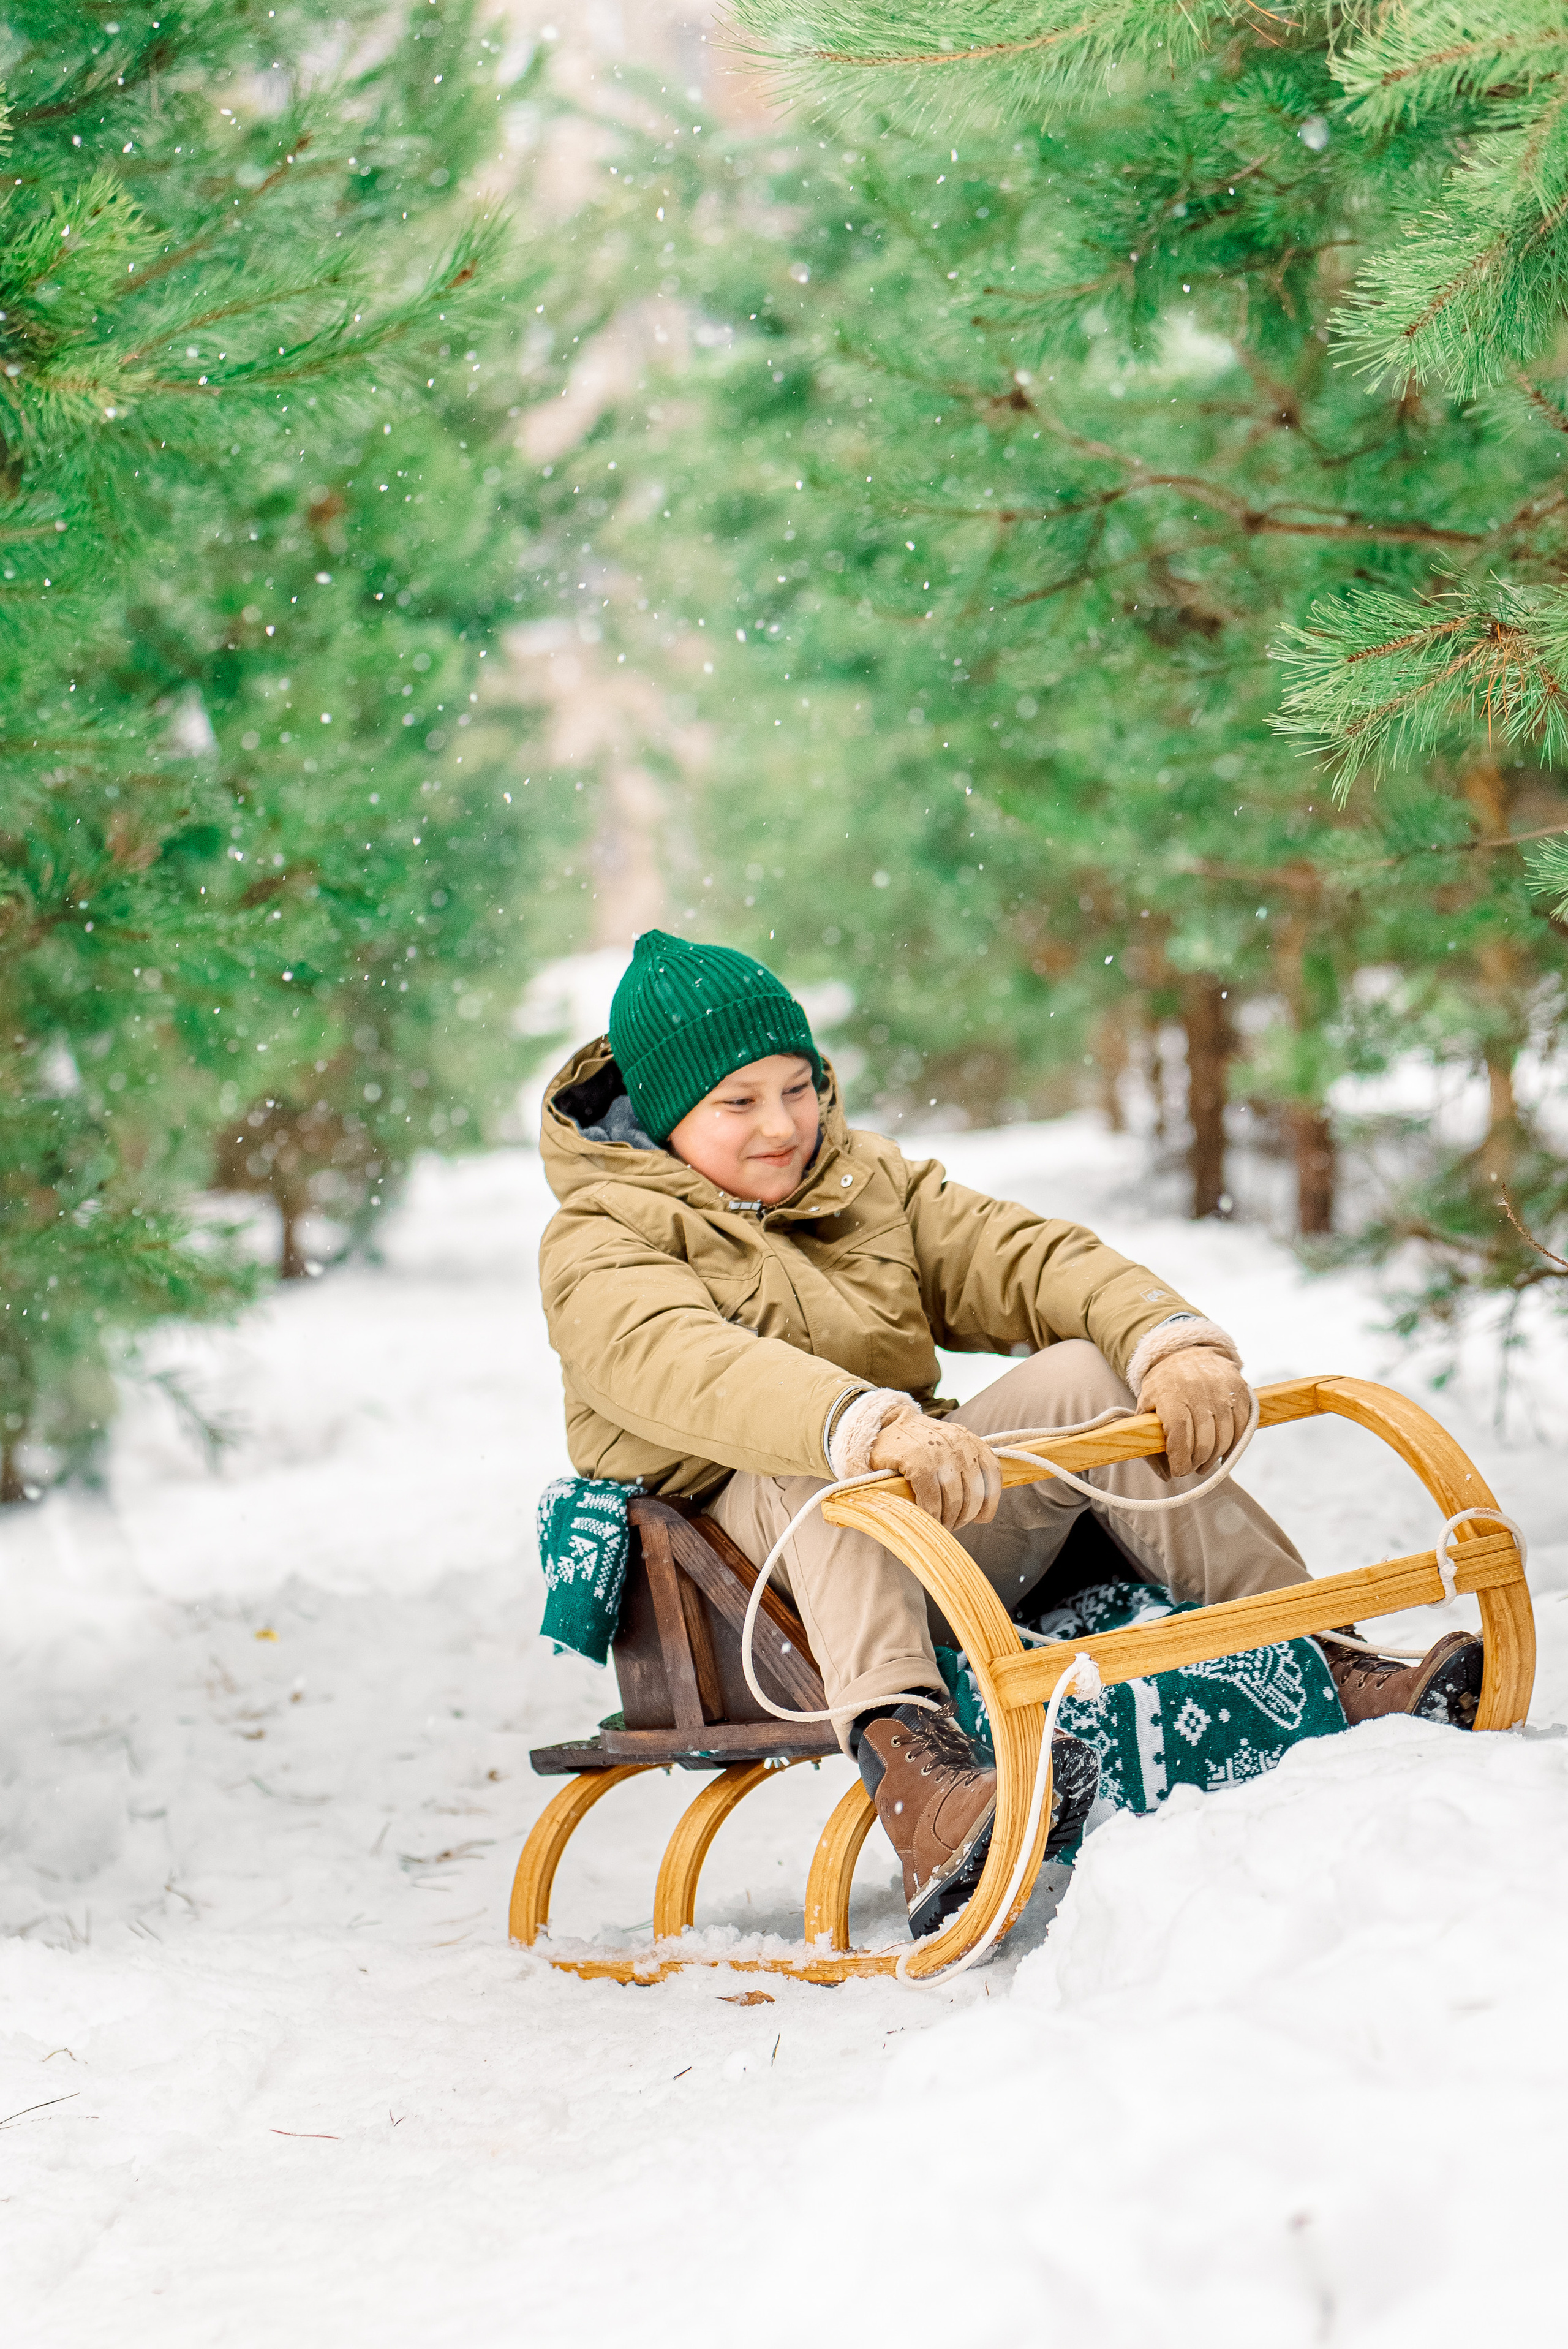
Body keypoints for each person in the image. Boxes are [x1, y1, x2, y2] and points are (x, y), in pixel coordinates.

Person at [539, 932, 1483, 1939]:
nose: (784, 1124)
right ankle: (922, 1780)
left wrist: (1164, 1337)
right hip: (753, 1607)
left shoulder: (865, 1187)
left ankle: (1313, 1651)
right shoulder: (601, 1239)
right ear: (667, 1112)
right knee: (814, 1468)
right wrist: (861, 1423)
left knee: (1085, 1376)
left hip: (925, 1539)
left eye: (798, 1087)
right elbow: (687, 1362)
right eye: (739, 1102)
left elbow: (1025, 1257)